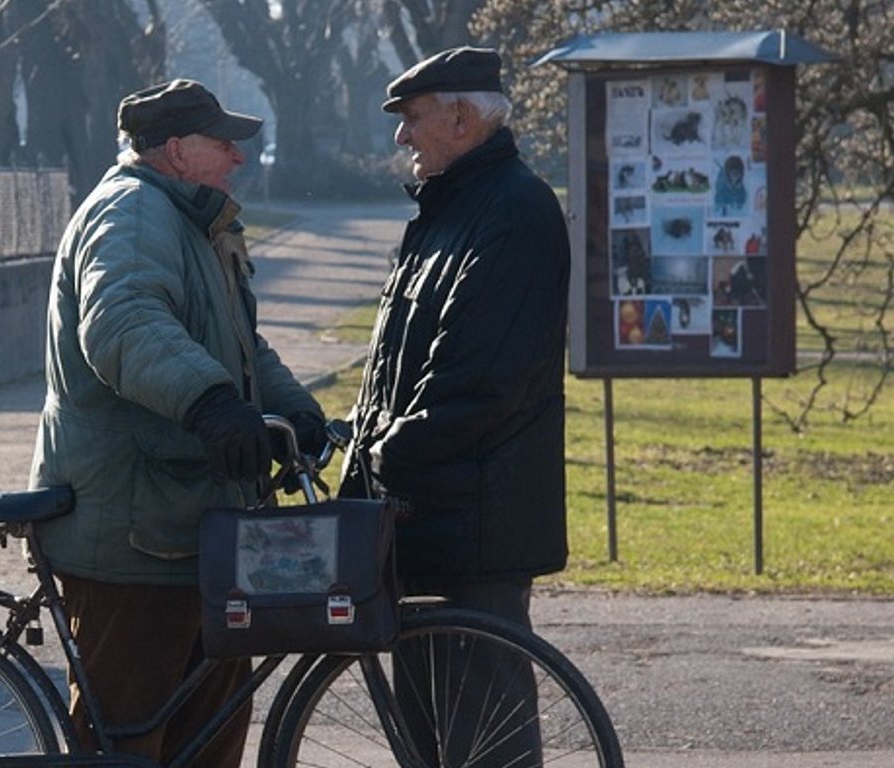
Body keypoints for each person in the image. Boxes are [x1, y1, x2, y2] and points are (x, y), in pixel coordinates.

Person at [28, 78, 326, 767]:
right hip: (133, 535)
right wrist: (213, 405)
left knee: (207, 736)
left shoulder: (195, 221)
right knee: (128, 742)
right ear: (174, 150)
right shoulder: (132, 215)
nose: (238, 157)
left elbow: (240, 346)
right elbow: (125, 327)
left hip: (192, 525)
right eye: (223, 142)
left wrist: (297, 413)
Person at [340, 47, 571, 765]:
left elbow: (480, 383)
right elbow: (399, 369)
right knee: (430, 743)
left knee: (483, 745)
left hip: (474, 529)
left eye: (413, 119)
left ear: (463, 119)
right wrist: (355, 436)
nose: (402, 137)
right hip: (426, 521)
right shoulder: (449, 210)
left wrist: (379, 453)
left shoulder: (513, 214)